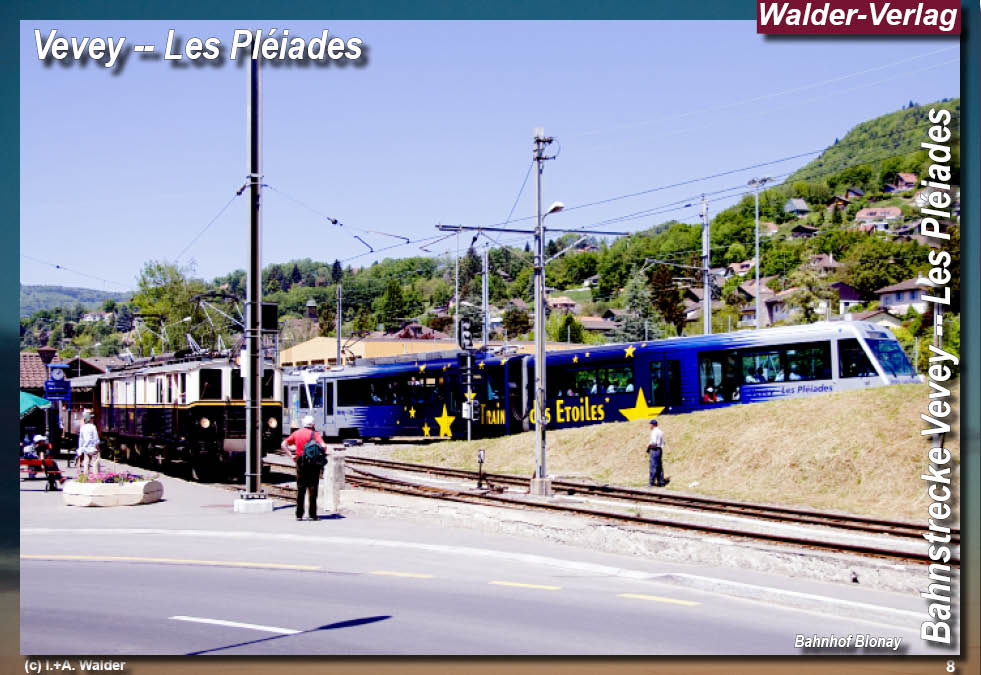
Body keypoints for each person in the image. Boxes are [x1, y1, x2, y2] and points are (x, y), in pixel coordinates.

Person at [281, 415, 328, 521]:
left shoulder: (297, 433)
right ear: (313, 424)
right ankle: (312, 514)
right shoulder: (315, 434)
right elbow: (324, 446)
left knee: (301, 488)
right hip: (312, 464)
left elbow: (283, 444)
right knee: (313, 488)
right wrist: (319, 455)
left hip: (300, 462)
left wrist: (291, 455)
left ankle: (299, 514)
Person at [77, 411, 101, 477]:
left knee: (86, 462)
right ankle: (96, 477)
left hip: (86, 449)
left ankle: (85, 477)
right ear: (89, 419)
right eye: (92, 418)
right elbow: (96, 438)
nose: (92, 419)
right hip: (93, 448)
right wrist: (98, 447)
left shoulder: (82, 428)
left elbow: (81, 440)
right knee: (95, 462)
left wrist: (80, 449)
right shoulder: (93, 427)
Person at [646, 419, 668, 487]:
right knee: (659, 467)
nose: (649, 426)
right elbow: (664, 442)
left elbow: (654, 443)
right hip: (660, 450)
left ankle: (651, 482)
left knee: (653, 466)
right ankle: (661, 482)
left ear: (653, 425)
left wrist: (648, 446)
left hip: (654, 450)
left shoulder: (654, 432)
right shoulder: (661, 432)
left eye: (650, 424)